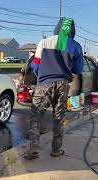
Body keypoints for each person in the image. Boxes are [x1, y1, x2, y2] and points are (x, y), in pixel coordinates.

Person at [24, 17, 83, 160]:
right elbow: (78, 69)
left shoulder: (44, 42)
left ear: (58, 27)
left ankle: (33, 149)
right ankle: (56, 150)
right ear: (72, 30)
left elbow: (35, 65)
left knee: (36, 116)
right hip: (63, 84)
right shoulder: (76, 46)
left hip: (44, 84)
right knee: (58, 117)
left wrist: (42, 76)